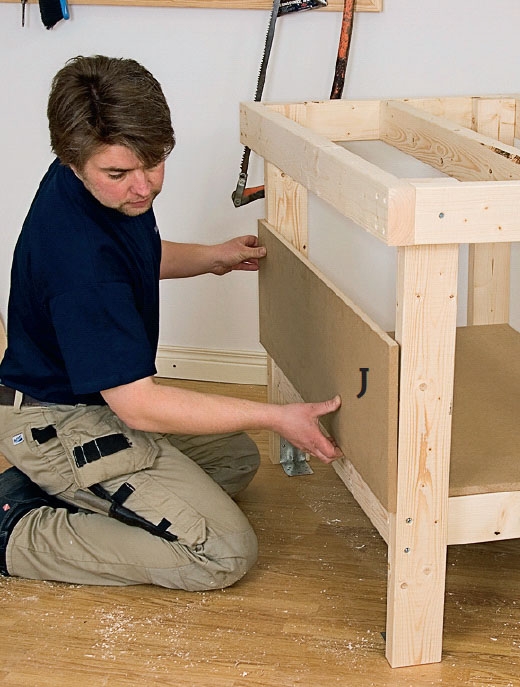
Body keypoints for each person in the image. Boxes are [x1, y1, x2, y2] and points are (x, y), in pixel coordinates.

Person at [0, 55, 342, 591]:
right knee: (222, 552)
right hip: (60, 422)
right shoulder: (80, 263)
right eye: (119, 174)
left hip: (102, 403)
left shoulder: (102, 182)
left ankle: (66, 489)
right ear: (71, 159)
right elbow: (139, 405)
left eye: (154, 162)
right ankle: (18, 531)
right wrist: (275, 415)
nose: (143, 187)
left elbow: (132, 257)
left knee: (233, 459)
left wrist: (213, 257)